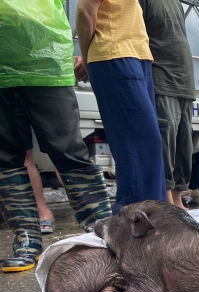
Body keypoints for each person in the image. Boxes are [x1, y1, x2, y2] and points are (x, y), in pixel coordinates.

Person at [0, 0, 112, 273]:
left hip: (45, 57)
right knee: (5, 156)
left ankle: (104, 231)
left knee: (68, 150)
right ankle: (27, 240)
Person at [77, 0, 166, 214]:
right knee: (138, 144)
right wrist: (88, 59)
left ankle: (156, 218)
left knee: (149, 145)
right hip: (114, 53)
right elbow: (85, 9)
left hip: (137, 56)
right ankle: (133, 223)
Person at [138, 0, 196, 211]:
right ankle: (167, 200)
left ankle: (179, 198)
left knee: (184, 144)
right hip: (162, 78)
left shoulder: (176, 3)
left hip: (185, 81)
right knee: (166, 140)